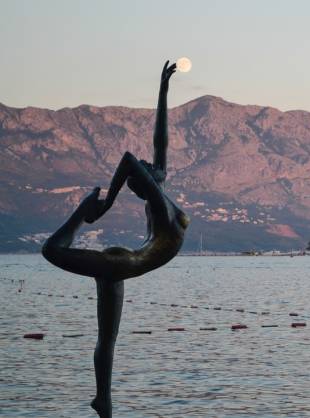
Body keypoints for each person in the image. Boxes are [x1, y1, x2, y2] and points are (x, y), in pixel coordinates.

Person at [42, 61, 189, 418]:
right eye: (148, 168)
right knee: (50, 250)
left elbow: (160, 143)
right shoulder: (162, 211)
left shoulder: (161, 202)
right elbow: (128, 159)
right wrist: (104, 205)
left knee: (107, 338)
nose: (150, 163)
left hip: (126, 263)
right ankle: (82, 211)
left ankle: (103, 400)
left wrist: (163, 90)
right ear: (145, 183)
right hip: (123, 262)